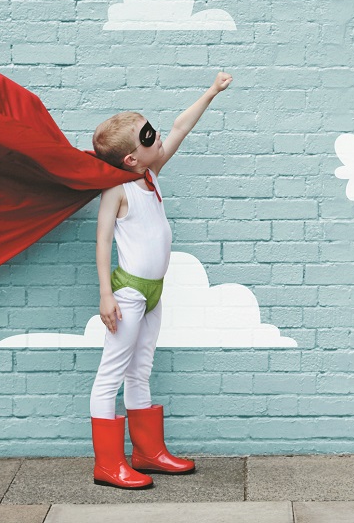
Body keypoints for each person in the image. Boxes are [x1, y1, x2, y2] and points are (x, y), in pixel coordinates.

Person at [86, 72, 232, 489]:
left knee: (141, 369)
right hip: (129, 292)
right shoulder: (117, 191)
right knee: (111, 373)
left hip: (153, 293)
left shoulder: (150, 175)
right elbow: (102, 243)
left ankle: (147, 452)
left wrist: (210, 92)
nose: (158, 137)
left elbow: (180, 127)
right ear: (131, 159)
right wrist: (106, 295)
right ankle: (107, 464)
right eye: (148, 136)